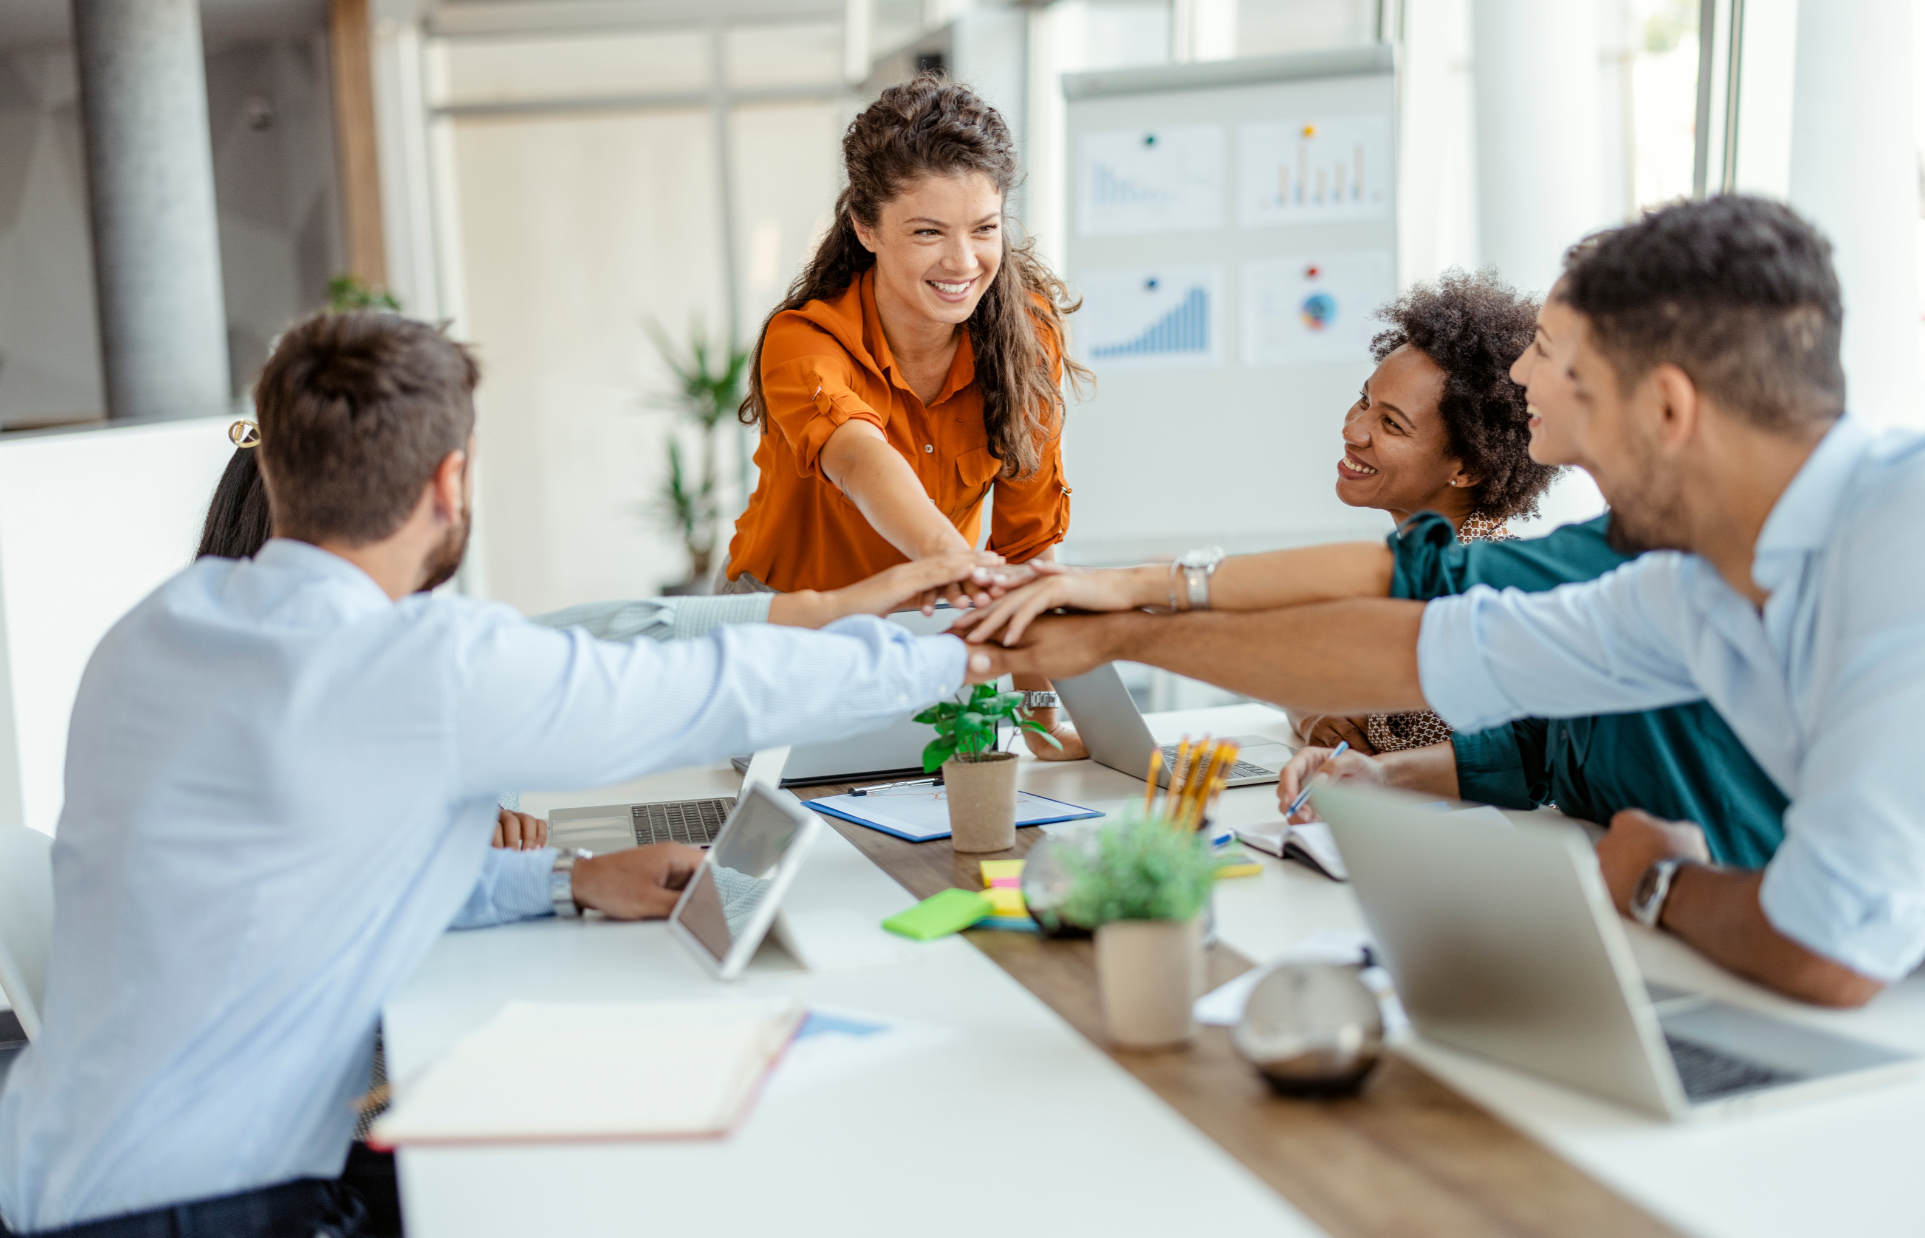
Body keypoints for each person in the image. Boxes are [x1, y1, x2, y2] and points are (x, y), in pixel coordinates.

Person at [0, 310, 998, 1236]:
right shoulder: (411, 664)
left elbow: (298, 876)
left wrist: (570, 879)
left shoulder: (155, 631)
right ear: (450, 482)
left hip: (54, 1169)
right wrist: (970, 648)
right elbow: (706, 686)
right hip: (219, 1203)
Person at [971, 195, 1913, 1009]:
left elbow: (1828, 949)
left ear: (1666, 410)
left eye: (1566, 369)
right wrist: (1120, 634)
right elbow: (1419, 643)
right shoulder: (1684, 581)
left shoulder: (1895, 554)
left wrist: (1653, 881)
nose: (1527, 387)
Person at [954, 275, 1788, 866]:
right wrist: (1377, 771)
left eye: (1550, 354)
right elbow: (1526, 752)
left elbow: (1402, 618)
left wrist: (1124, 619)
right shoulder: (1606, 556)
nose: (1527, 374)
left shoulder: (1636, 568)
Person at [194, 438, 1006, 850]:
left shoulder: (198, 648)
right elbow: (629, 669)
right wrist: (960, 654)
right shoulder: (353, 685)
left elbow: (595, 638)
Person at [723, 75, 1088, 760]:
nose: (961, 261)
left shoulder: (1026, 335)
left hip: (933, 617)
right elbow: (862, 458)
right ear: (865, 227)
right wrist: (950, 559)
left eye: (983, 229)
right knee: (799, 809)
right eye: (927, 232)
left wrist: (1039, 715)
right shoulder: (804, 340)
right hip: (793, 623)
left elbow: (1027, 545)